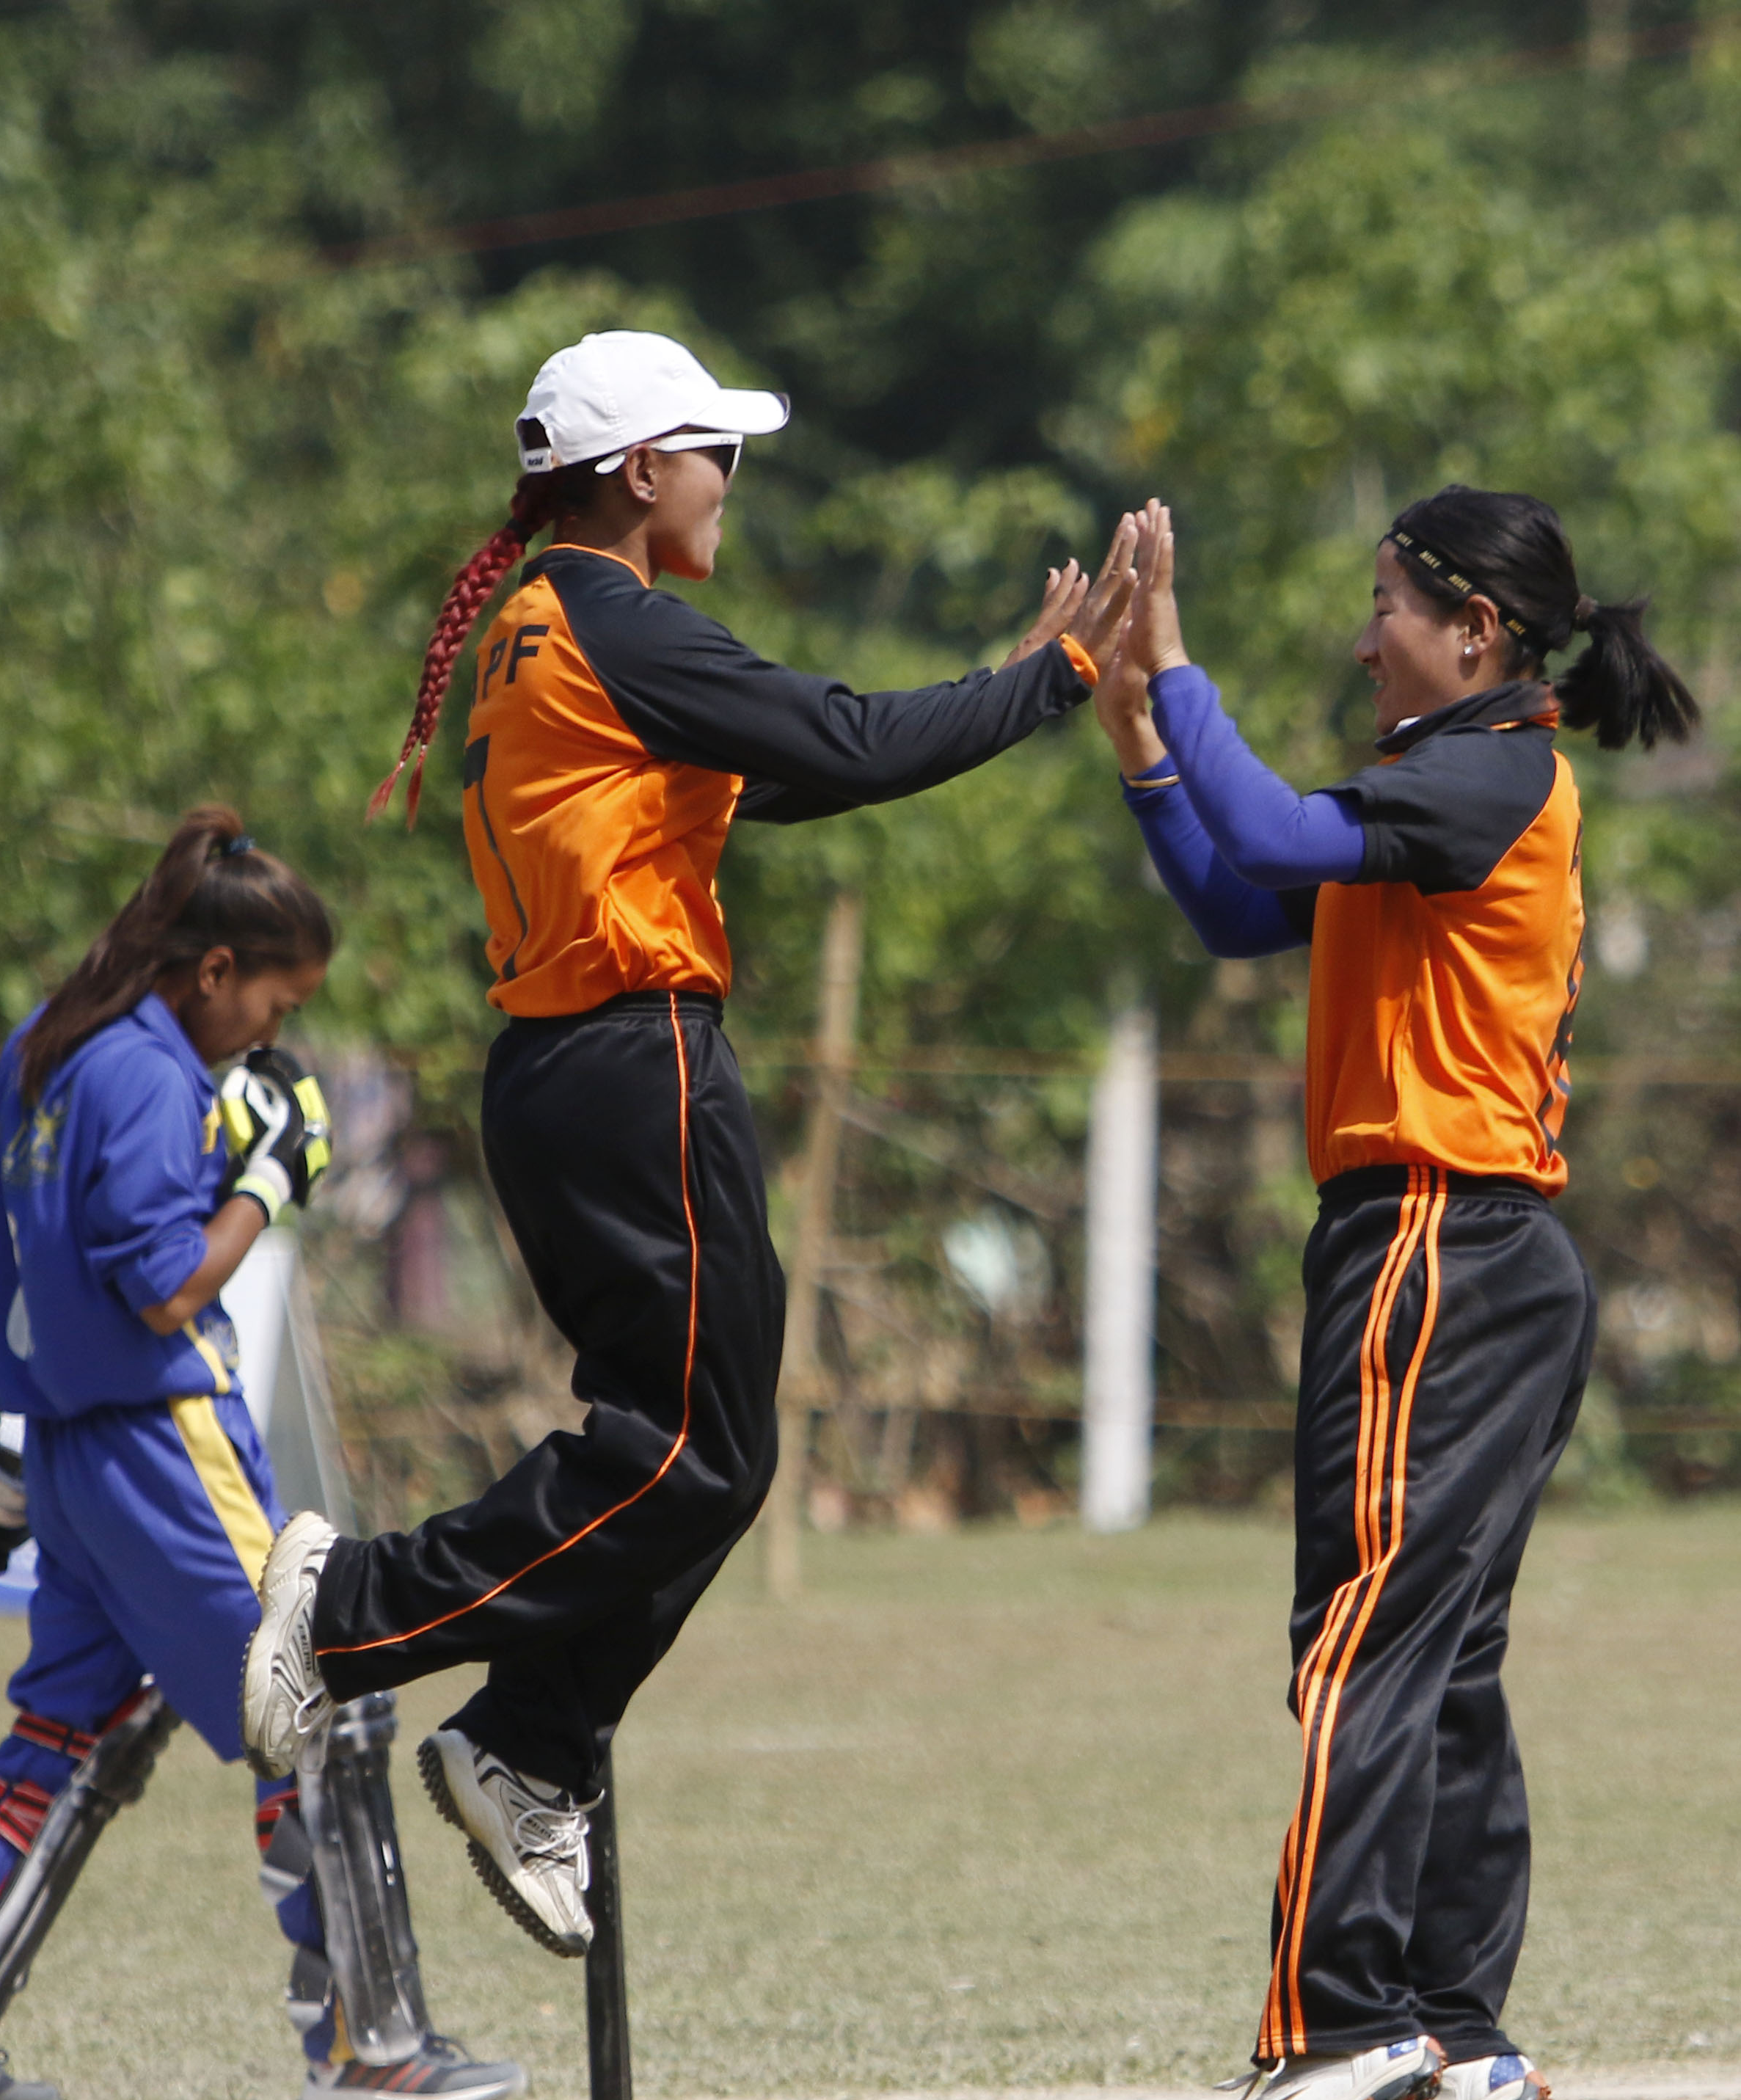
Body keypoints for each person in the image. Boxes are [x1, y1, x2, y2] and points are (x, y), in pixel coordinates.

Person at [241, 330, 1135, 1958]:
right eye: (715, 450)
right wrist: (1056, 679)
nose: (731, 477)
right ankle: (357, 1610)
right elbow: (847, 738)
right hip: (628, 1062)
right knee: (686, 1455)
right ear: (641, 471)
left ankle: (529, 1743)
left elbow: (787, 773)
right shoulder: (614, 615)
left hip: (571, 1073)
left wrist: (1013, 683)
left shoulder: (540, 626)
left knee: (709, 1449)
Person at [1098, 489, 1698, 2100]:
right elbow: (1244, 899)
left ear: (1475, 631)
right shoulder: (1441, 782)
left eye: (1387, 606)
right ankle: (1455, 2037)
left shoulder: (1489, 768)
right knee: (1437, 1656)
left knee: (1365, 1644)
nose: (1366, 641)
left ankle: (1344, 2029)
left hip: (1438, 1244)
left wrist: (1176, 663)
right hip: (1471, 1254)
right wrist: (1143, 745)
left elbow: (1272, 832)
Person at [0, 808, 521, 2100]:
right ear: (215, 969)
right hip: (168, 1444)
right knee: (323, 1701)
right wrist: (267, 1182)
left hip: (67, 1454)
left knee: (71, 1729)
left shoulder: (46, 1041)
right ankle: (367, 2044)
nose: (271, 1034)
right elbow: (168, 1286)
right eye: (276, 1004)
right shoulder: (152, 1076)